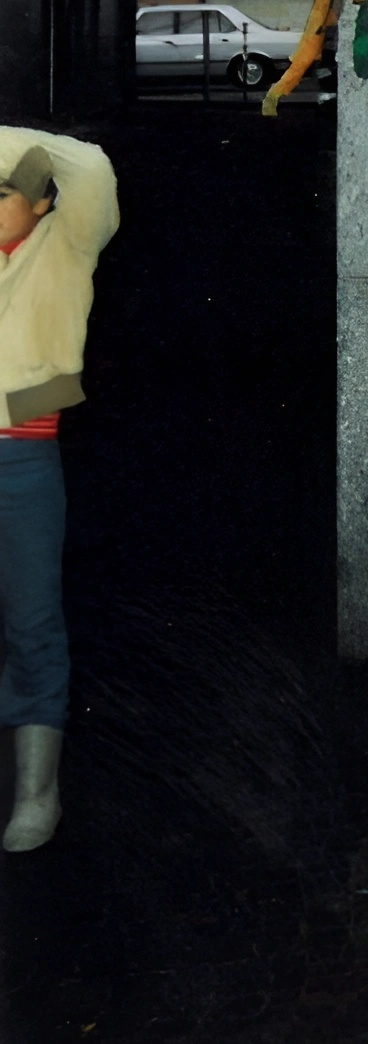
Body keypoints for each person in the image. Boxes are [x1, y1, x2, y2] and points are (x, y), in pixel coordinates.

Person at [0, 132, 115, 852]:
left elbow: (91, 167)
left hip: (22, 460)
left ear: (43, 202)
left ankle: (37, 794)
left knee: (32, 625)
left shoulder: (68, 243)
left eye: (2, 191)